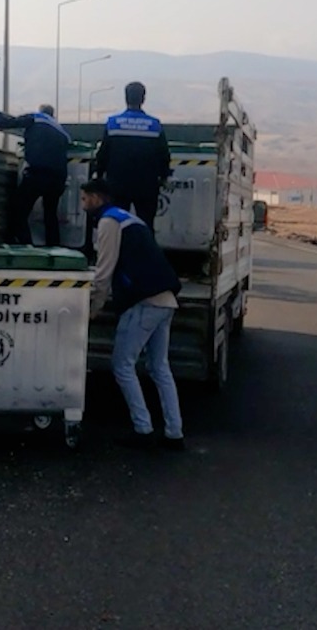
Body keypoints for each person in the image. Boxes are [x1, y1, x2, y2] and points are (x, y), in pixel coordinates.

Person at [82, 178, 185, 451]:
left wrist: (93, 309)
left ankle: (143, 430)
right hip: (166, 300)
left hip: (144, 302)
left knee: (122, 365)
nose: (82, 206)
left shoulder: (108, 222)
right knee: (159, 368)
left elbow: (103, 272)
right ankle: (175, 433)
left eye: (84, 199)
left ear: (96, 198)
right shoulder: (129, 218)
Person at [0, 103, 72, 247]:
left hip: (38, 173)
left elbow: (7, 123)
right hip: (59, 178)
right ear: (53, 115)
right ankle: (54, 247)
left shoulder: (35, 118)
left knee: (19, 209)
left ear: (41, 112)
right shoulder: (62, 131)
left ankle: (24, 244)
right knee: (50, 214)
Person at [94, 81, 172, 231]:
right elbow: (164, 155)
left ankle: (120, 254)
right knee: (146, 225)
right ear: (143, 99)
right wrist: (163, 177)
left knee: (116, 226)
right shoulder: (154, 125)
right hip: (147, 186)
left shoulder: (113, 123)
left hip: (117, 185)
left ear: (126, 98)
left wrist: (99, 174)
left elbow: (103, 154)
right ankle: (145, 253)